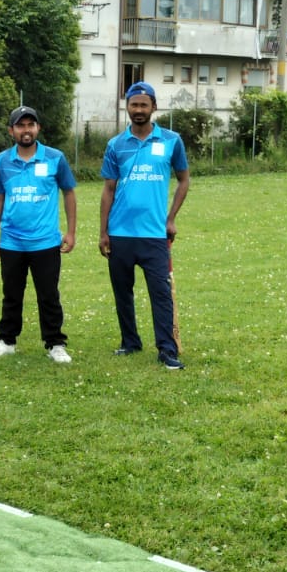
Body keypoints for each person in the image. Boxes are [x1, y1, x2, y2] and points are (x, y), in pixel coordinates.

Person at [99, 81, 191, 369]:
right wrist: (103, 232)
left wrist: (171, 218)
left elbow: (184, 179)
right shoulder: (115, 145)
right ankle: (130, 342)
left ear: (154, 107)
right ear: (127, 107)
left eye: (143, 105)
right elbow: (108, 190)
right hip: (120, 233)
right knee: (122, 291)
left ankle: (166, 349)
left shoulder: (171, 141)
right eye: (133, 105)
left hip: (154, 234)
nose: (138, 110)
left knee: (160, 294)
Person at [0, 105, 78, 363]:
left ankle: (55, 344)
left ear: (38, 128)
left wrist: (70, 232)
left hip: (46, 241)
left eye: (31, 125)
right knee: (11, 294)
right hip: (12, 240)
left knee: (49, 295)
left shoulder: (55, 158)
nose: (26, 130)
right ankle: (6, 341)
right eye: (21, 125)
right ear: (11, 130)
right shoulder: (2, 161)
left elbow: (69, 192)